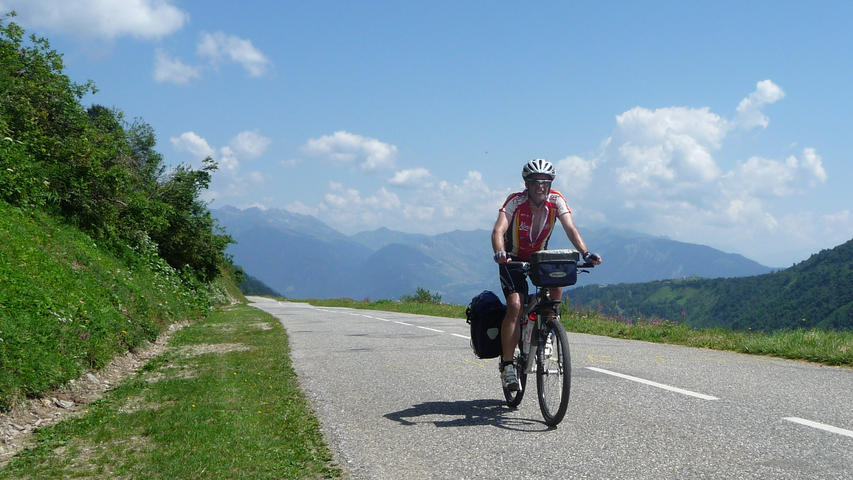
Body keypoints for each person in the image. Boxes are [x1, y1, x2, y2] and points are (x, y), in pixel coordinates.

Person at [491, 158, 602, 391]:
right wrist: (500, 251)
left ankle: (549, 329)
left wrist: (586, 252)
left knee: (558, 278)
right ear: (527, 184)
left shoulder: (556, 200)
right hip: (512, 259)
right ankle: (508, 366)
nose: (540, 186)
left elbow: (570, 228)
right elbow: (499, 230)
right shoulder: (515, 201)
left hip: (538, 258)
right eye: (535, 182)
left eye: (545, 182)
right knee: (515, 306)